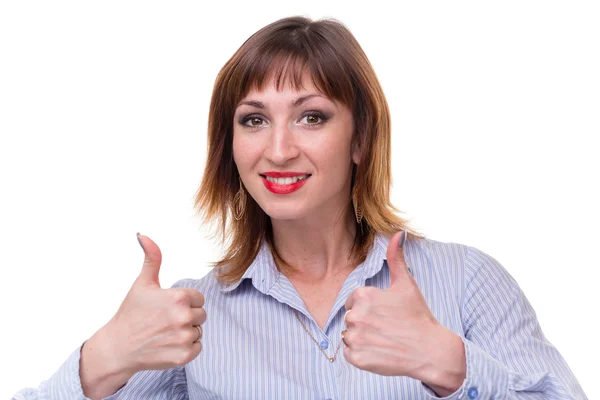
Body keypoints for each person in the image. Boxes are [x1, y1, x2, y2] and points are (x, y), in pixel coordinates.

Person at [14, 15, 588, 400]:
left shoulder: (466, 283)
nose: (279, 148)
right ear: (230, 145)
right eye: (254, 119)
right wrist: (104, 359)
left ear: (360, 139)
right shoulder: (188, 321)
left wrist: (451, 365)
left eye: (312, 116)